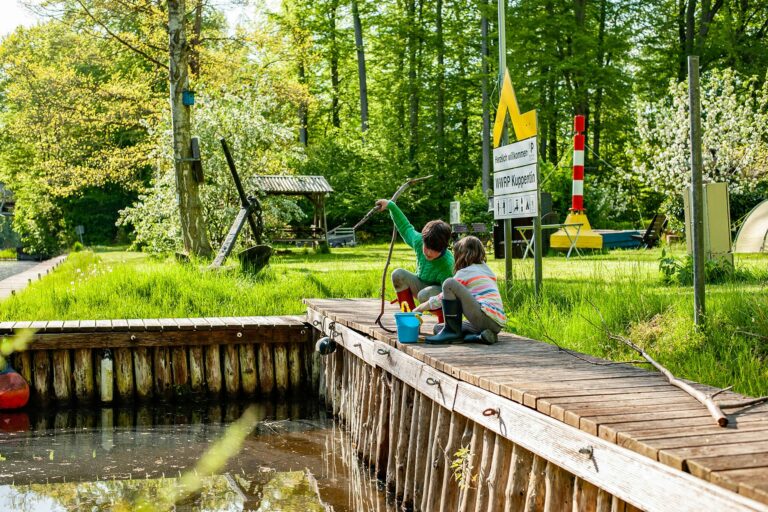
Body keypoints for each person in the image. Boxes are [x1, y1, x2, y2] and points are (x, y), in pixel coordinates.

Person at [413, 236, 506, 344]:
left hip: (484, 317)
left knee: (449, 283)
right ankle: (479, 337)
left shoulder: (466, 272)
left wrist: (420, 308)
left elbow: (441, 297)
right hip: (496, 324)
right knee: (438, 329)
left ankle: (452, 334)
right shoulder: (487, 270)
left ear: (461, 255)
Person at [375, 199, 454, 321]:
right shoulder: (419, 241)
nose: (428, 252)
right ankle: (410, 319)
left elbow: (449, 295)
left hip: (438, 293)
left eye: (433, 250)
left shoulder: (447, 264)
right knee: (398, 274)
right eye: (426, 247)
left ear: (443, 247)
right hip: (420, 284)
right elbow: (405, 227)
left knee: (424, 295)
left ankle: (443, 321)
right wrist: (391, 206)